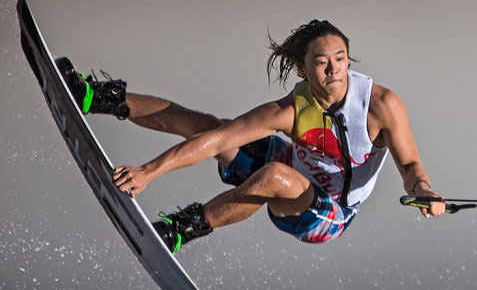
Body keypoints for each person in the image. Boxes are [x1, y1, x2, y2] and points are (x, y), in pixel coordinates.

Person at [56, 19, 446, 254]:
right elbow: (217, 141)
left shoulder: (380, 105)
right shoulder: (289, 111)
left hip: (327, 214)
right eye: (322, 62)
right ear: (303, 69)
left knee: (273, 176)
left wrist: (424, 190)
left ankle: (179, 230)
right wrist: (149, 171)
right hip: (290, 167)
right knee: (210, 126)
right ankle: (95, 96)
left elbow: (410, 165)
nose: (334, 70)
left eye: (340, 58)